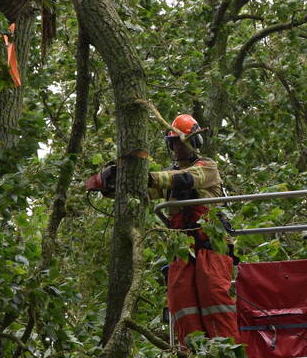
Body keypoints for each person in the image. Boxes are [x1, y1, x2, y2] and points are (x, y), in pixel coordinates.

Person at [86, 113, 237, 345]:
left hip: (211, 249)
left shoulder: (207, 168)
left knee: (214, 300)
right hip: (183, 252)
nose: (177, 147)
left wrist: (147, 178)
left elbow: (184, 179)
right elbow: (140, 191)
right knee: (181, 303)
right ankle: (192, 357)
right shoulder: (165, 178)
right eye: (173, 142)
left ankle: (227, 353)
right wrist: (110, 184)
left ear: (194, 141)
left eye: (181, 141)